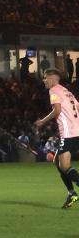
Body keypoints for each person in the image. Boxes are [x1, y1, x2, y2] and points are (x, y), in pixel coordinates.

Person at [34, 69, 79, 208]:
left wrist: (42, 121)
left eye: (45, 77)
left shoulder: (53, 90)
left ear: (52, 78)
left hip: (69, 133)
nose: (44, 80)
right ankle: (72, 193)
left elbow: (57, 110)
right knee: (57, 161)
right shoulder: (66, 91)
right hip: (75, 131)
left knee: (64, 165)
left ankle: (73, 192)